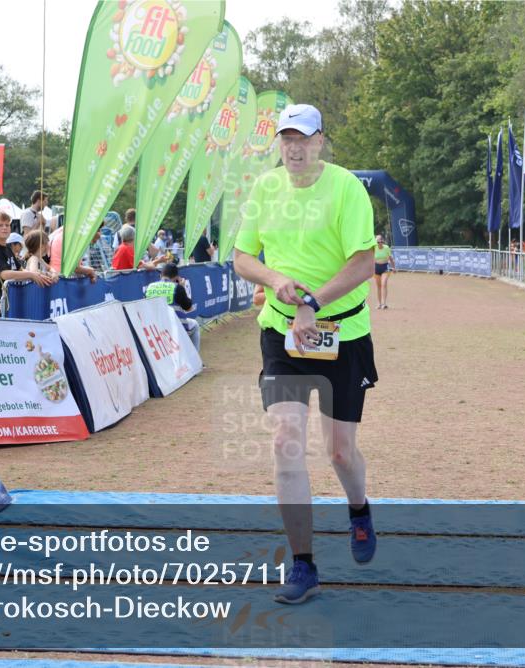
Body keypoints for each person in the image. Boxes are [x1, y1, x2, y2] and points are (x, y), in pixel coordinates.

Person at [233, 103, 378, 605]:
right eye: (286, 139)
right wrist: (275, 280)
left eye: (303, 138)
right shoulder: (265, 188)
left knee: (339, 450)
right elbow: (242, 257)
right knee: (285, 439)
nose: (294, 148)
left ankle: (359, 509)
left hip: (341, 331)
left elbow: (365, 262)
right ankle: (303, 564)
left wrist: (315, 302)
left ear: (320, 142)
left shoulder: (346, 188)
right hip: (282, 331)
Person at [0, 212, 56, 317]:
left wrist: (39, 274)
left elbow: (20, 269)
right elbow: (4, 274)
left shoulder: (7, 248)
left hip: (15, 297)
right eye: (0, 225)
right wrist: (31, 275)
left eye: (7, 225)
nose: (5, 228)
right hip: (2, 299)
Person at [145, 262, 201, 351]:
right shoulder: (177, 287)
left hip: (154, 328)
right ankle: (195, 360)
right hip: (175, 328)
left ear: (161, 275)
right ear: (176, 277)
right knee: (195, 325)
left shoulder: (150, 287)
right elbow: (188, 307)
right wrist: (183, 287)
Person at [373, 234, 394, 309]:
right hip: (376, 268)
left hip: (385, 267)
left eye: (380, 241)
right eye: (377, 242)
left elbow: (391, 258)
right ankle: (379, 303)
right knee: (378, 286)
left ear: (382, 241)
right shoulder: (373, 248)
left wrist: (393, 268)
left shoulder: (386, 248)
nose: (379, 243)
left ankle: (384, 304)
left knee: (384, 284)